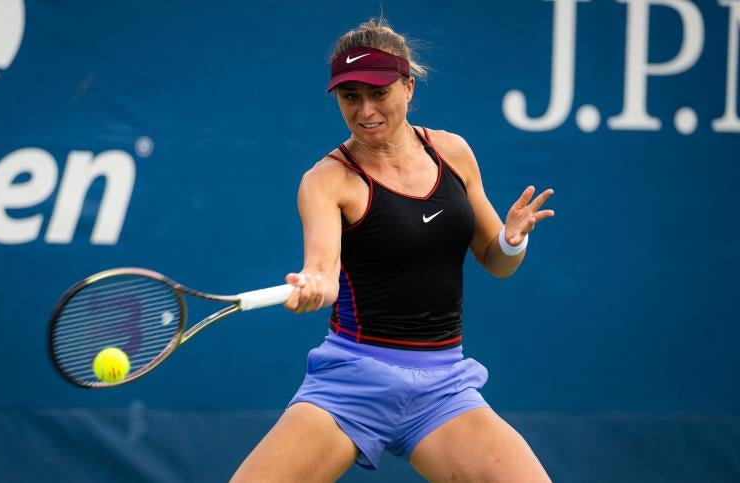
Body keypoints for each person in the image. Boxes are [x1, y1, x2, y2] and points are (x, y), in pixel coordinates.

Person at [232, 18, 554, 483]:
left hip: (445, 386)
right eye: (350, 97)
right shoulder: (326, 180)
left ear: (407, 86)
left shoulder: (453, 153)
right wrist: (313, 286)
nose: (365, 110)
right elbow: (322, 272)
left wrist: (511, 239)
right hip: (351, 382)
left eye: (378, 93)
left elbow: (494, 260)